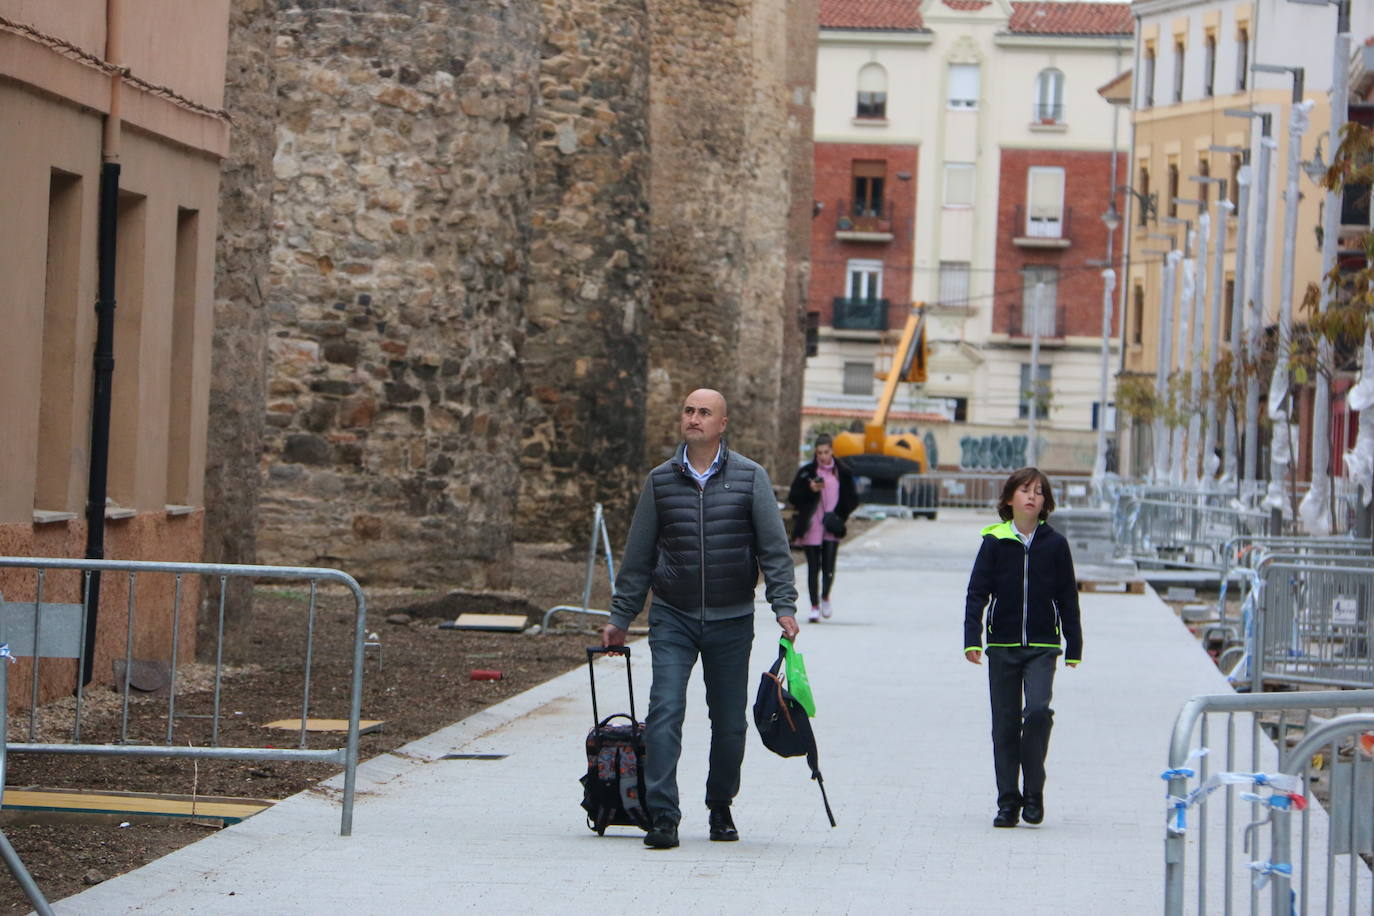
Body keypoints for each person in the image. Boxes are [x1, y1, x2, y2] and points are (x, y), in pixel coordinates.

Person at [602, 388, 800, 850]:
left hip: (732, 621)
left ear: (722, 424)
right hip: (673, 616)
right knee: (665, 711)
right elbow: (638, 557)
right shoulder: (660, 481)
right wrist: (621, 615)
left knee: (729, 722)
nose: (694, 418)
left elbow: (775, 550)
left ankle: (720, 805)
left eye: (704, 412)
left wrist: (784, 606)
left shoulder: (751, 478)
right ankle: (664, 815)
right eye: (689, 410)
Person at [962, 466, 1082, 829]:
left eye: (1039, 492)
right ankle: (1008, 803)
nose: (1032, 496)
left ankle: (1034, 791)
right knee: (1004, 725)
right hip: (1002, 646)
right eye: (1025, 490)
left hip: (1044, 646)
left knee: (1038, 712)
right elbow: (976, 594)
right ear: (1010, 497)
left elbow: (1067, 597)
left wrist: (1074, 644)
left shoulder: (1055, 545)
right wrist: (972, 639)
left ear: (1046, 502)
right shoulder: (994, 541)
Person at [787, 433, 858, 623]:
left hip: (831, 525)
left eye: (826, 452)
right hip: (812, 525)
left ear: (832, 451)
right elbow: (794, 497)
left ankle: (825, 596)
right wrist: (810, 490)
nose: (823, 456)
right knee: (813, 567)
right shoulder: (807, 472)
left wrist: (840, 516)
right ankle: (814, 606)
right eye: (819, 453)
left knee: (828, 566)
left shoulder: (843, 472)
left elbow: (852, 499)